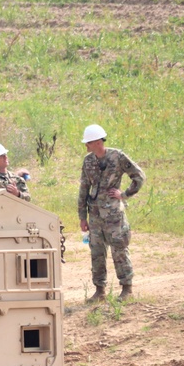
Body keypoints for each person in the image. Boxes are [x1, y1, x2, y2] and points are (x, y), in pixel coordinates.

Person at [77, 124, 145, 302]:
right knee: (97, 252)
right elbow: (84, 188)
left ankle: (127, 288)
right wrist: (82, 216)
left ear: (98, 142)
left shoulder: (117, 156)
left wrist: (124, 195)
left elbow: (139, 177)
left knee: (119, 249)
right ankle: (100, 290)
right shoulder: (88, 161)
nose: (86, 147)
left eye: (89, 143)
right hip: (95, 215)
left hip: (114, 215)